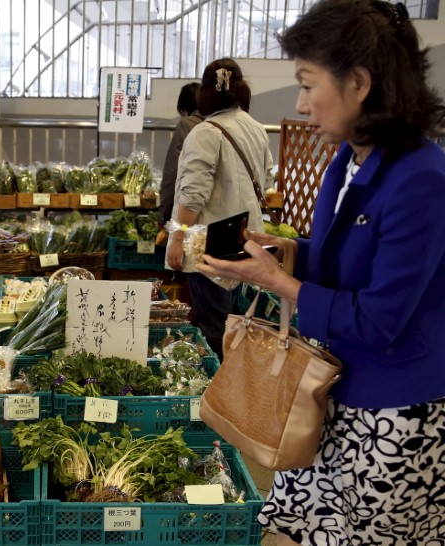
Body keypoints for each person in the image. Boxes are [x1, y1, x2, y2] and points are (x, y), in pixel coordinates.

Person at [196, 1, 445, 544]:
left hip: (393, 407)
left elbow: (381, 319)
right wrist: (280, 251)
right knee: (318, 527)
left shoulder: (422, 178)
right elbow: (343, 259)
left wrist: (279, 283)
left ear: (358, 82)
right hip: (331, 384)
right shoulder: (348, 159)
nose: (302, 104)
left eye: (308, 85)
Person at [165, 58, 273, 358]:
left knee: (213, 328)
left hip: (210, 245)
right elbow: (266, 180)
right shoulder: (256, 128)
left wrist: (177, 238)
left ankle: (217, 396)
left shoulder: (205, 133)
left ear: (205, 93)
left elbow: (193, 195)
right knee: (240, 324)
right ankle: (237, 391)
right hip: (248, 240)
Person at [157, 82, 203, 227]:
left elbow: (173, 169)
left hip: (188, 207)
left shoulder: (187, 125)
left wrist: (164, 210)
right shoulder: (222, 124)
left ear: (184, 109)